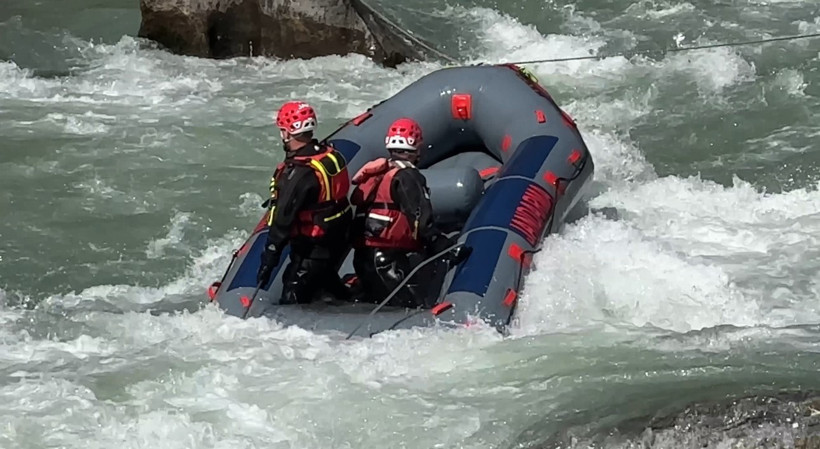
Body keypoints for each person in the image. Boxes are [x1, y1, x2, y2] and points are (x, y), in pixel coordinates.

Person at [256, 100, 353, 305]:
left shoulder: (300, 174)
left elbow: (283, 220)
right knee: (325, 277)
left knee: (293, 292)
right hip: (338, 237)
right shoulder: (329, 154)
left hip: (313, 247)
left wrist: (269, 260)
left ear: (287, 132)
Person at [349, 117, 451, 308]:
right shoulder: (407, 176)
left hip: (364, 258)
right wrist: (444, 246)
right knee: (408, 308)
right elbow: (421, 219)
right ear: (417, 147)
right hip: (388, 262)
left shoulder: (380, 172)